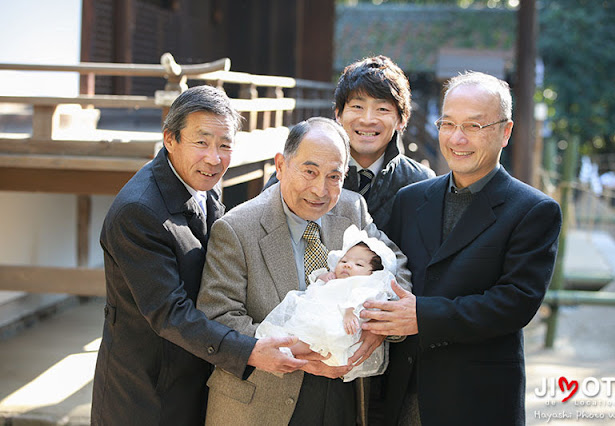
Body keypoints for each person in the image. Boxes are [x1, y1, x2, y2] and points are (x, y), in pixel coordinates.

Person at [91, 85, 306, 426]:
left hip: (194, 375)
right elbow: (170, 314)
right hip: (146, 392)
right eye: (201, 142)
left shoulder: (201, 180)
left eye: (225, 145)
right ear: (170, 139)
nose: (214, 158)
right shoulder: (139, 212)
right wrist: (250, 351)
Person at [360, 71, 563, 425]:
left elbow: (515, 303)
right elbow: (387, 273)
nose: (457, 138)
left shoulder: (532, 210)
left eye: (473, 126)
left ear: (505, 131)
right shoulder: (411, 200)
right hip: (401, 393)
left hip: (476, 398)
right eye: (448, 123)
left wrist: (422, 316)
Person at [196, 117, 412, 425]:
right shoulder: (236, 227)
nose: (320, 189)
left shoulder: (353, 209)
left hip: (341, 395)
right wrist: (298, 352)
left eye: (334, 176)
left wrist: (376, 326)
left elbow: (394, 265)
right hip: (262, 399)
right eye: (309, 171)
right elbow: (216, 317)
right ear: (281, 165)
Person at [265, 55, 435, 233]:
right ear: (338, 114)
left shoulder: (421, 183)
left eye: (382, 109)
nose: (367, 120)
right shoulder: (295, 169)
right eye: (357, 107)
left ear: (402, 119)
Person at [255, 225, 399, 383]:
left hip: (337, 323)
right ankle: (283, 346)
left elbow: (360, 300)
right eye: (344, 260)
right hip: (316, 314)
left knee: (311, 339)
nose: (348, 265)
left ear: (372, 274)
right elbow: (315, 288)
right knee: (299, 331)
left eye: (359, 265)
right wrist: (322, 278)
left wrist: (350, 312)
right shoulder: (335, 280)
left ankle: (289, 350)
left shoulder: (365, 285)